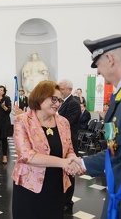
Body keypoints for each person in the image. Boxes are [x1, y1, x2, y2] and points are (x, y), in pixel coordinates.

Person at [76, 34, 121, 219]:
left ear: (110, 59)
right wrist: (82, 162)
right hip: (120, 201)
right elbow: (116, 148)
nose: (98, 73)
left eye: (98, 66)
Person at [12, 80, 80, 219]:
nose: (57, 103)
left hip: (56, 186)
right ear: (40, 96)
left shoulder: (63, 122)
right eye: (53, 99)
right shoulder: (22, 120)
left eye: (60, 100)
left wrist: (72, 161)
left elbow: (69, 150)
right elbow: (26, 155)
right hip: (29, 186)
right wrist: (63, 163)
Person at [58, 78, 81, 215]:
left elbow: (67, 122)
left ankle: (68, 202)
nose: (59, 91)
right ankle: (61, 199)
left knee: (70, 171)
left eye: (61, 89)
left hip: (69, 142)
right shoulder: (61, 102)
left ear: (69, 90)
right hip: (61, 141)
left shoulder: (74, 103)